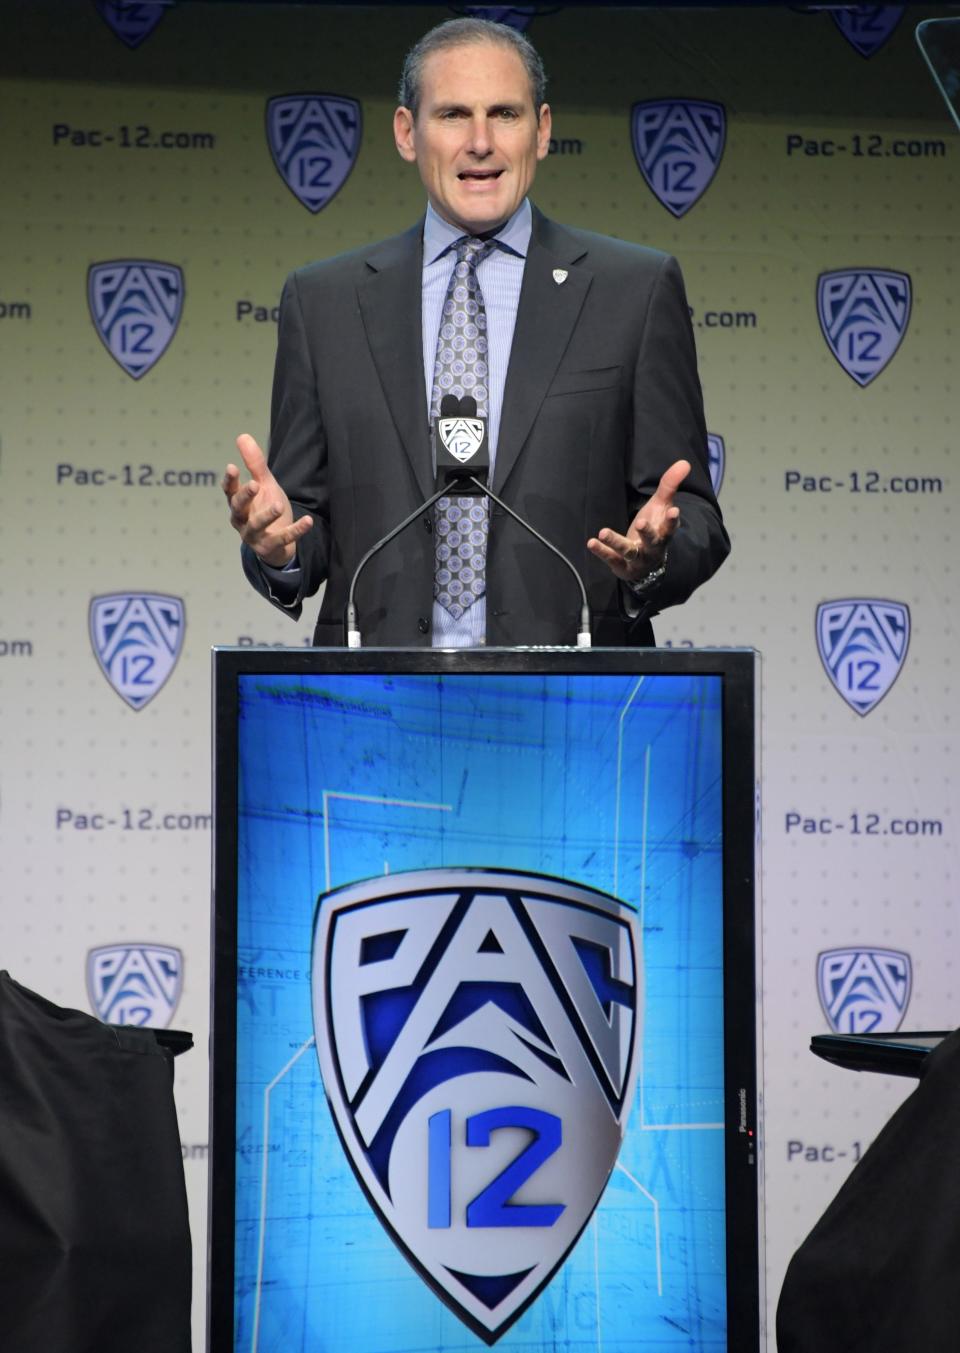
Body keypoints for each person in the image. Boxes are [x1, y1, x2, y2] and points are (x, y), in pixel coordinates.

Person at [223, 17, 729, 647]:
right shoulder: (324, 301)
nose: (481, 142)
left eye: (506, 114)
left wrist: (654, 558)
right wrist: (278, 549)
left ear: (541, 131)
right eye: (454, 114)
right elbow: (304, 518)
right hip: (376, 699)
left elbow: (698, 518)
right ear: (408, 133)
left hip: (573, 695)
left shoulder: (635, 291)